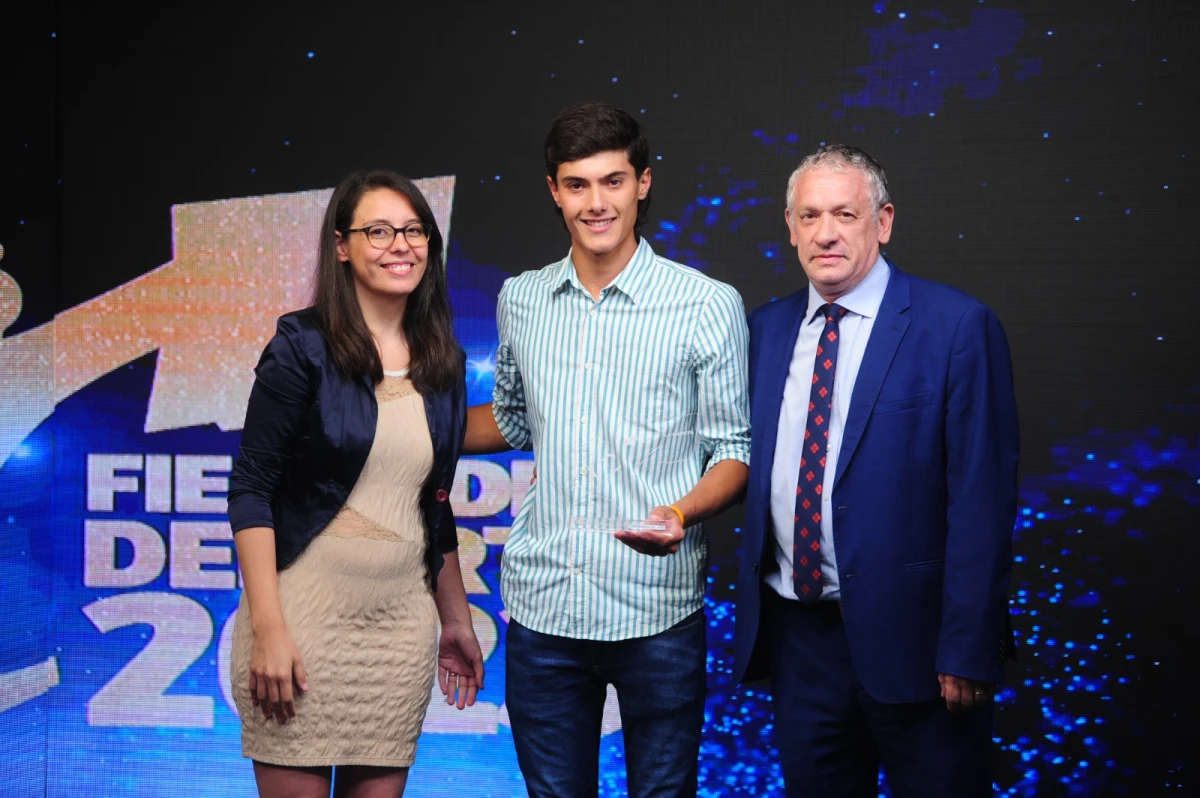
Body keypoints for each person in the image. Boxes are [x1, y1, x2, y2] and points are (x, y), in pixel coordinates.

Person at [463, 103, 751, 796]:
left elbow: (733, 452)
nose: (597, 203)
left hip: (656, 611)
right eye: (578, 184)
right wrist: (389, 419)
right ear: (554, 191)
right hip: (545, 610)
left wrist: (680, 515)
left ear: (643, 184)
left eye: (613, 181)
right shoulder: (522, 299)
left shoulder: (706, 304)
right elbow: (513, 419)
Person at [733, 144, 1019, 797]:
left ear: (882, 222)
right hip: (800, 642)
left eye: (844, 214)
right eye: (809, 216)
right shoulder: (764, 331)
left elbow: (983, 498)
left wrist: (967, 647)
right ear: (789, 226)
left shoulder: (957, 327)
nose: (825, 233)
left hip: (921, 646)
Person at [226, 170, 484, 798]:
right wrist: (270, 629)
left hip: (398, 636)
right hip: (302, 624)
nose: (400, 244)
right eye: (378, 231)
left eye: (413, 230)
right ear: (342, 246)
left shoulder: (442, 360)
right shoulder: (301, 345)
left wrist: (456, 620)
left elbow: (433, 509)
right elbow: (251, 488)